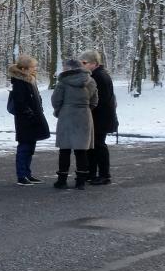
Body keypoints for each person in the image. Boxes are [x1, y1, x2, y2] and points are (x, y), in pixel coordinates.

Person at [52, 58, 99, 190]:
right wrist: (86, 108)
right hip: (84, 116)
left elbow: (56, 100)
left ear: (70, 68)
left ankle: (62, 180)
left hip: (67, 116)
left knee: (65, 150)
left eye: (65, 67)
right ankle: (81, 182)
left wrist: (59, 110)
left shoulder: (63, 82)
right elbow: (95, 100)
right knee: (81, 150)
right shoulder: (90, 81)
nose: (63, 69)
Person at [7, 56, 50, 185]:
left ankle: (27, 173)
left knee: (30, 147)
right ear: (24, 68)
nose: (35, 69)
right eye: (32, 67)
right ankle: (22, 175)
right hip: (25, 121)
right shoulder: (20, 82)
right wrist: (30, 114)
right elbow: (21, 103)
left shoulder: (30, 80)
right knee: (24, 147)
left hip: (32, 118)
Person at [80, 49, 118, 185]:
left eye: (85, 62)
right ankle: (91, 173)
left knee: (99, 146)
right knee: (92, 146)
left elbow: (100, 100)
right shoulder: (98, 75)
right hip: (99, 117)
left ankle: (104, 175)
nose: (82, 65)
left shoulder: (99, 77)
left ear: (94, 63)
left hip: (100, 118)